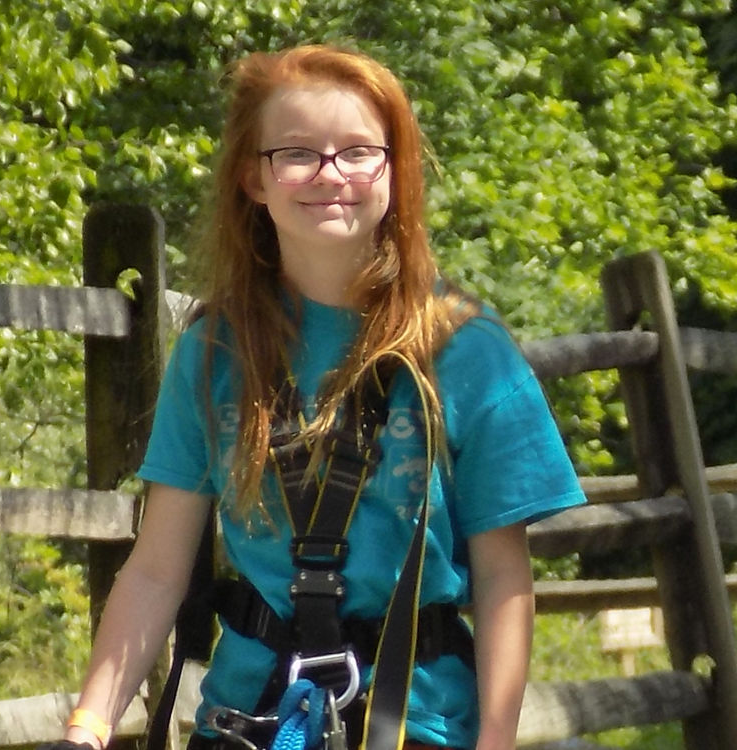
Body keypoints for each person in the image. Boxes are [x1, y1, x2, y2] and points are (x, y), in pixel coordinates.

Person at [50, 44, 585, 750]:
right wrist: (87, 726)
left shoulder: (466, 351)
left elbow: (502, 573)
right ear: (253, 177)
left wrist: (495, 740)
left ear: (394, 170)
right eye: (297, 153)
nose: (330, 175)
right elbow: (155, 570)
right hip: (249, 722)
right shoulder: (213, 354)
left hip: (418, 725)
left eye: (359, 151)